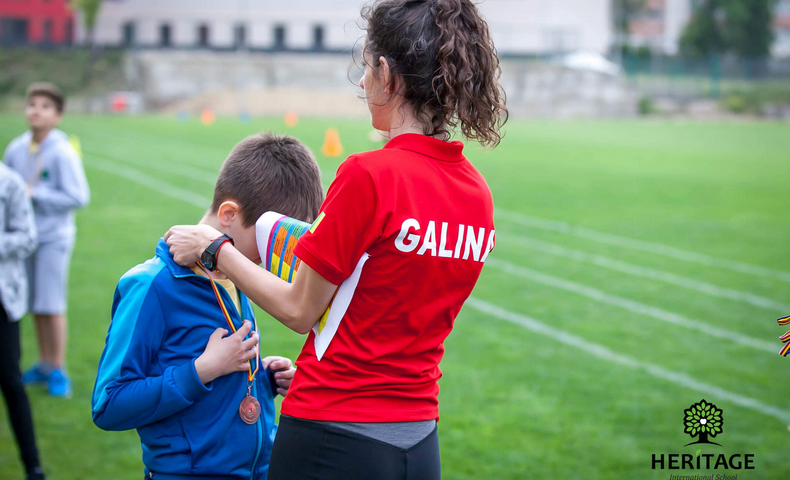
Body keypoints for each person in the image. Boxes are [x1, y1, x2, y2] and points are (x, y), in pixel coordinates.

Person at [165, 0, 506, 478]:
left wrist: (214, 248)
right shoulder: (477, 194)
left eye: (366, 68)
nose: (363, 84)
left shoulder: (369, 175)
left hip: (333, 431)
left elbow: (299, 310)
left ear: (387, 74)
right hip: (420, 438)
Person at [92, 132, 324, 480]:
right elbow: (109, 404)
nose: (272, 255)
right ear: (229, 214)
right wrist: (201, 370)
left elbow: (217, 377)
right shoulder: (150, 286)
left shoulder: (235, 275)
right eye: (267, 239)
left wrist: (262, 378)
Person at [3, 82, 90, 397]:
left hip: (53, 238)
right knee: (34, 302)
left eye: (44, 106)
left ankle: (58, 368)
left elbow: (78, 196)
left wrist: (36, 193)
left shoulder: (63, 152)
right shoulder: (15, 148)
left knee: (51, 304)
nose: (35, 111)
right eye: (31, 104)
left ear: (58, 115)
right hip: (23, 239)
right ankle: (42, 363)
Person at [0, 161, 46, 480]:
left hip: (3, 299)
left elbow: (28, 237)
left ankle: (33, 467)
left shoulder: (8, 182)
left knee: (11, 381)